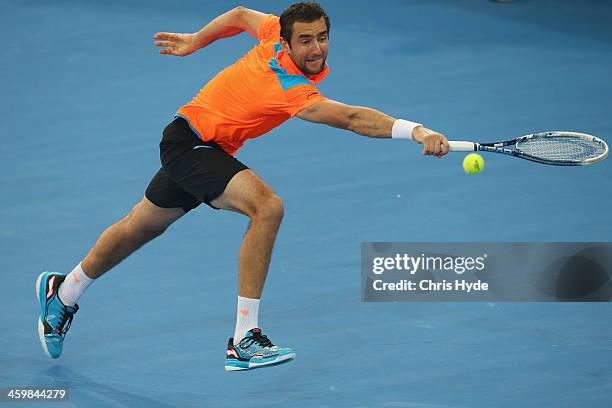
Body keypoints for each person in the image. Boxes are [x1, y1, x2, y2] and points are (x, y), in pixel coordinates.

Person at [36, 2, 449, 371]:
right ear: (286, 44)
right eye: (304, 41)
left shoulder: (272, 30)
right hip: (191, 143)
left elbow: (237, 15)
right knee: (267, 206)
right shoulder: (290, 86)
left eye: (322, 38)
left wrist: (197, 40)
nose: (316, 49)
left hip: (199, 143)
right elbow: (353, 119)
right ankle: (244, 339)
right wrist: (416, 130)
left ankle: (64, 291)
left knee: (139, 227)